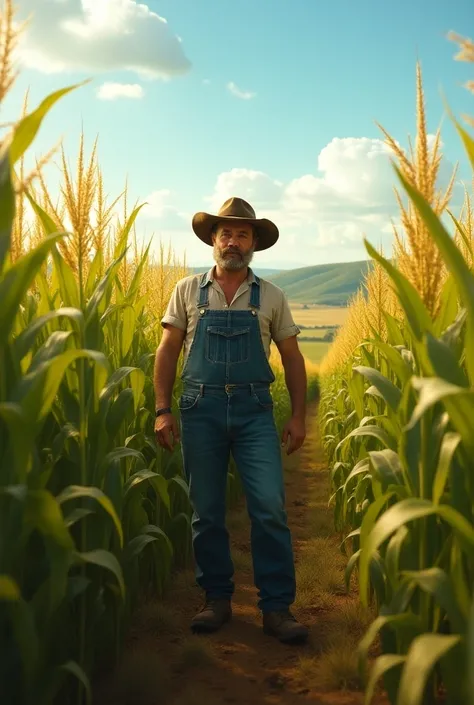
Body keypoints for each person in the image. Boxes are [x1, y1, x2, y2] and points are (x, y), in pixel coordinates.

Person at [153, 196, 309, 644]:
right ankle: (216, 599)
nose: (233, 241)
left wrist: (298, 416)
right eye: (226, 233)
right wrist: (163, 409)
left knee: (270, 509)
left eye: (242, 233)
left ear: (254, 243)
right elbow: (167, 351)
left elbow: (293, 358)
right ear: (213, 239)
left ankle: (277, 608)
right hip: (198, 409)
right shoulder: (187, 290)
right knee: (207, 512)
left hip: (254, 411)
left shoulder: (271, 296)